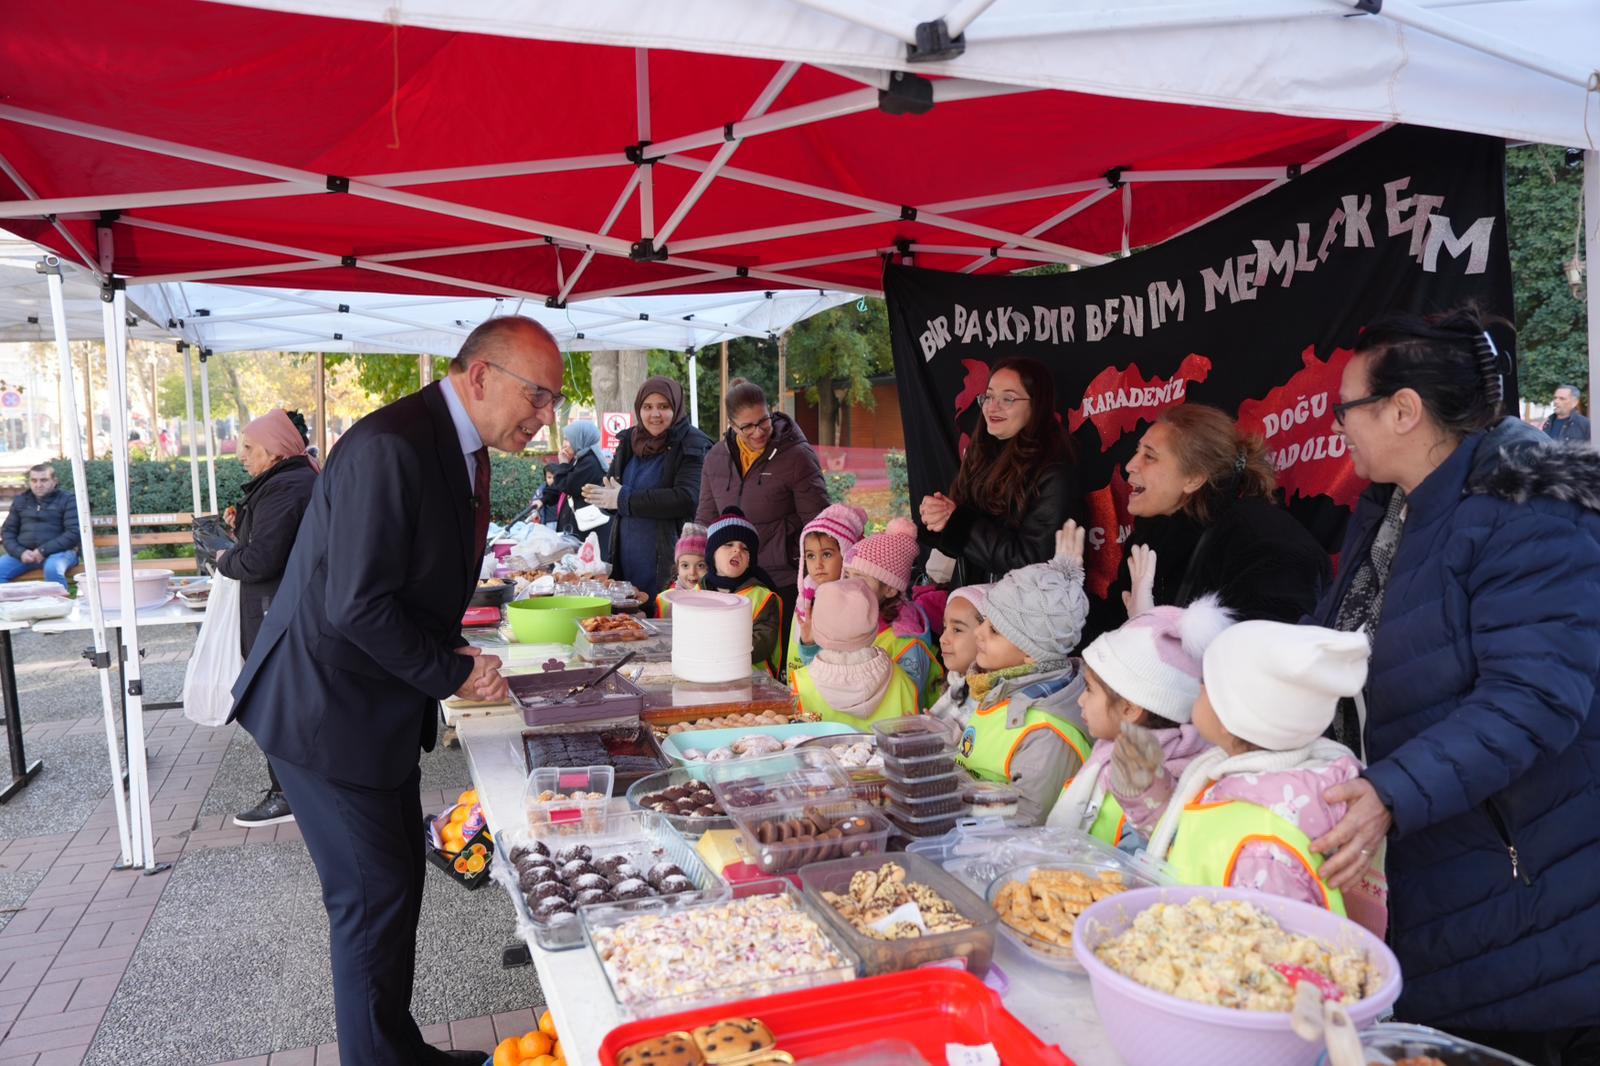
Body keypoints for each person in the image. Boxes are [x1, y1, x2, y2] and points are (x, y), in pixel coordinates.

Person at [228, 316, 558, 1066]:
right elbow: (357, 603)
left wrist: (449, 647)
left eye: (552, 402)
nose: (545, 417)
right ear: (480, 377)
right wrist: (453, 672)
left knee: (395, 885)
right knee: (371, 901)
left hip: (364, 705)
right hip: (325, 711)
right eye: (536, 397)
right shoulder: (393, 445)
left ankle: (394, 1048)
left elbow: (401, 580)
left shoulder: (450, 441)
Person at [1306, 308, 1600, 1063]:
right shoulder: (1396, 507)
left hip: (1525, 892)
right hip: (1440, 877)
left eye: (1347, 408)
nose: (1339, 425)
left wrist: (1393, 791)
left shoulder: (1525, 506)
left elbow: (1533, 699)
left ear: (1404, 411)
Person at [1135, 621, 1387, 934]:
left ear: (1230, 716)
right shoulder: (1240, 779)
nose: (1196, 691)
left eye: (1205, 684)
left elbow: (1272, 956)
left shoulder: (1264, 846)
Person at [1112, 404, 1329, 623]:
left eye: (1149, 456)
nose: (1131, 465)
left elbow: (1265, 647)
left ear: (1194, 478)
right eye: (1137, 451)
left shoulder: (1266, 543)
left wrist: (1152, 635)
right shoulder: (1152, 534)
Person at [1046, 596, 1228, 849]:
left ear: (1130, 709)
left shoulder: (1155, 780)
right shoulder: (1111, 750)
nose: (1080, 701)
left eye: (1089, 690)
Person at [213, 409, 319, 828]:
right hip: (280, 609)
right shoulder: (289, 481)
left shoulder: (286, 487)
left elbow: (262, 560)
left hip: (277, 612)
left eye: (249, 447)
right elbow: (272, 543)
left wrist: (225, 558)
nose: (242, 454)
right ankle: (294, 787)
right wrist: (244, 530)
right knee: (283, 703)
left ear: (275, 450)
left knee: (274, 704)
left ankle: (287, 793)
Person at [954, 543, 1091, 827]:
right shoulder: (998, 690)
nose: (979, 632)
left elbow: (1026, 821)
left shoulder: (1046, 732)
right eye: (985, 620)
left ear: (1031, 652)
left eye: (994, 630)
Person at [918, 357, 1083, 585]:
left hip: (1020, 614)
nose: (992, 406)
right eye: (989, 396)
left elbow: (1033, 560)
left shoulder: (1054, 473)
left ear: (1036, 405)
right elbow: (962, 537)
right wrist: (939, 517)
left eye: (1008, 399)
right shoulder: (980, 456)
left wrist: (957, 522)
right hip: (973, 605)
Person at [695, 379, 830, 657]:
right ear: (732, 425)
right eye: (747, 427)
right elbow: (706, 518)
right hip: (733, 582)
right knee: (729, 655)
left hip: (783, 578)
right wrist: (693, 565)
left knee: (777, 658)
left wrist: (820, 574)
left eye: (763, 422)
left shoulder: (796, 456)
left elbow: (818, 522)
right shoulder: (716, 458)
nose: (758, 432)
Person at [583, 377, 712, 600]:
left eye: (664, 407)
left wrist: (623, 499)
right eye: (648, 407)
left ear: (677, 407)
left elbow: (687, 497)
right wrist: (606, 500)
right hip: (626, 557)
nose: (655, 414)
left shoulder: (693, 443)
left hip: (671, 562)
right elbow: (614, 492)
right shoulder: (629, 440)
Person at [789, 577, 919, 730]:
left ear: (817, 628)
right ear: (873, 626)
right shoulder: (902, 681)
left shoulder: (800, 685)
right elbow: (913, 740)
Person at [843, 517, 942, 708]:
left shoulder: (907, 641)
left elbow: (903, 698)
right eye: (847, 575)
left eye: (861, 578)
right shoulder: (855, 621)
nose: (850, 585)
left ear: (890, 589)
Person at [786, 504, 869, 677]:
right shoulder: (805, 597)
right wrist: (807, 645)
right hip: (808, 682)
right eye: (810, 556)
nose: (818, 564)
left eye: (827, 554)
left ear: (846, 554)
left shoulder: (855, 601)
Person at [702, 507, 782, 675]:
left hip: (750, 682)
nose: (737, 550)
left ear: (749, 561)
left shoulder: (763, 597)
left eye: (745, 548)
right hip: (702, 673)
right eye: (728, 544)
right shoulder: (695, 593)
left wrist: (720, 650)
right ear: (711, 554)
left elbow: (763, 643)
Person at [0, 463, 80, 590]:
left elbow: (74, 533)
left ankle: (59, 608)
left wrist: (42, 551)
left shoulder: (68, 500)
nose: (38, 485)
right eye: (34, 480)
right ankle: (11, 608)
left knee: (52, 569)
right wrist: (20, 552)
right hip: (25, 555)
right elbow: (8, 531)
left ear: (54, 481)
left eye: (44, 480)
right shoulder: (21, 500)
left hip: (60, 554)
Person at [927, 584, 990, 733]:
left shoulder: (988, 698)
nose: (943, 638)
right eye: (944, 627)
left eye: (957, 630)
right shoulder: (954, 681)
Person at [549, 420, 611, 557]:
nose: (564, 444)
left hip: (589, 527)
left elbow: (567, 485)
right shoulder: (582, 459)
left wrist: (564, 464)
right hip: (583, 526)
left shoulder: (590, 462)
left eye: (568, 439)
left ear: (580, 438)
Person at [655, 523, 706, 616]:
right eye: (685, 565)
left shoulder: (715, 596)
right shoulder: (665, 599)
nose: (692, 572)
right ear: (677, 567)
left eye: (700, 565)